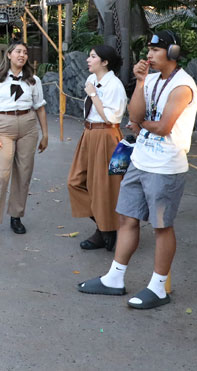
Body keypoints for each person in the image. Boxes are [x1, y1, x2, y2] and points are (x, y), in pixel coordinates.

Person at [78, 29, 197, 310]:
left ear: (172, 53)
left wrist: (141, 124)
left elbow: (163, 126)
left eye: (156, 50)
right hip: (141, 158)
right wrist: (142, 82)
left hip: (166, 165)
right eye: (148, 50)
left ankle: (158, 287)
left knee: (161, 226)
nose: (149, 55)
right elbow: (133, 115)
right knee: (127, 219)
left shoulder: (182, 86)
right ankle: (114, 278)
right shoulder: (152, 79)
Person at [0, 41, 48, 241]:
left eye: (25, 52)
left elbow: (40, 107)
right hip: (4, 124)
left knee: (24, 173)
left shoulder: (33, 80)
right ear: (9, 54)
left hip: (28, 125)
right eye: (18, 51)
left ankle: (16, 216)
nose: (22, 55)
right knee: (0, 175)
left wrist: (45, 134)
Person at [68, 45, 127, 251]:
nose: (87, 59)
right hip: (89, 133)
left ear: (105, 62)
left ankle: (106, 230)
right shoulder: (92, 80)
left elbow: (111, 117)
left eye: (93, 56)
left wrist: (93, 95)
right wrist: (92, 91)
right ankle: (104, 227)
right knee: (75, 181)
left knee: (104, 187)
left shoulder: (114, 85)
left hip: (106, 134)